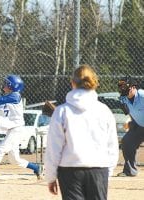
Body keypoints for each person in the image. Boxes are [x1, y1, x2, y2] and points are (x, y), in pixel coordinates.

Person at [44, 65, 119, 200]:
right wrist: (107, 173)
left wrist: (51, 177)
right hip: (98, 168)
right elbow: (112, 145)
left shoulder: (62, 111)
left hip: (69, 170)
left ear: (72, 83)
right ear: (94, 83)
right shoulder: (104, 111)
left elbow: (53, 148)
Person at [117, 76, 144, 177]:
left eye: (125, 87)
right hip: (139, 126)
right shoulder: (123, 99)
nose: (122, 89)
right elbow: (130, 113)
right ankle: (130, 170)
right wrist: (132, 122)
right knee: (127, 141)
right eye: (121, 87)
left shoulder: (142, 95)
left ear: (133, 87)